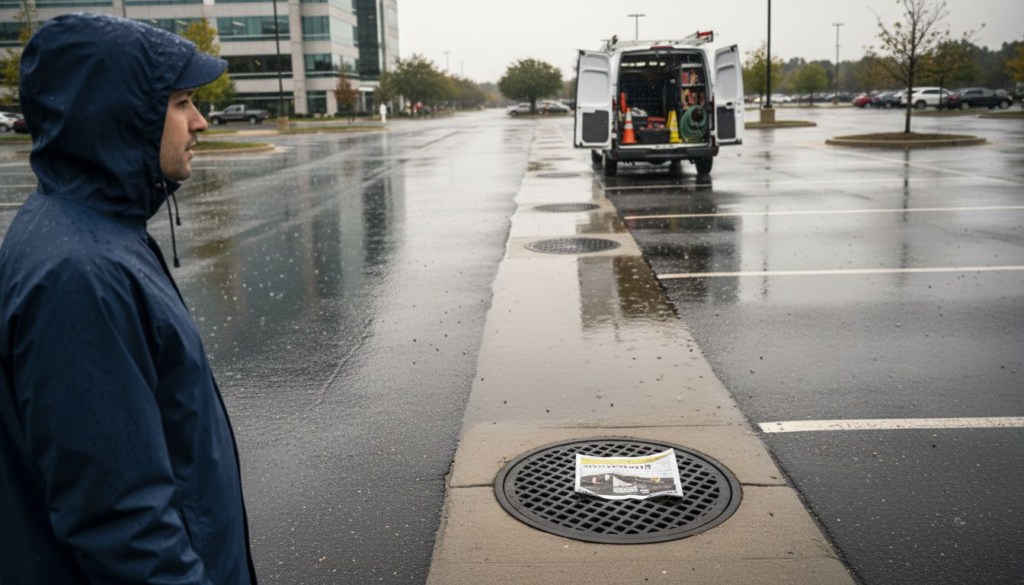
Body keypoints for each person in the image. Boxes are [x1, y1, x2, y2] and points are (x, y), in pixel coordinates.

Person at [0, 14, 257, 584]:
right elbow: (123, 524)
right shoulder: (78, 272)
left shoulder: (96, 228)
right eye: (183, 102)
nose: (202, 122)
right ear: (119, 115)